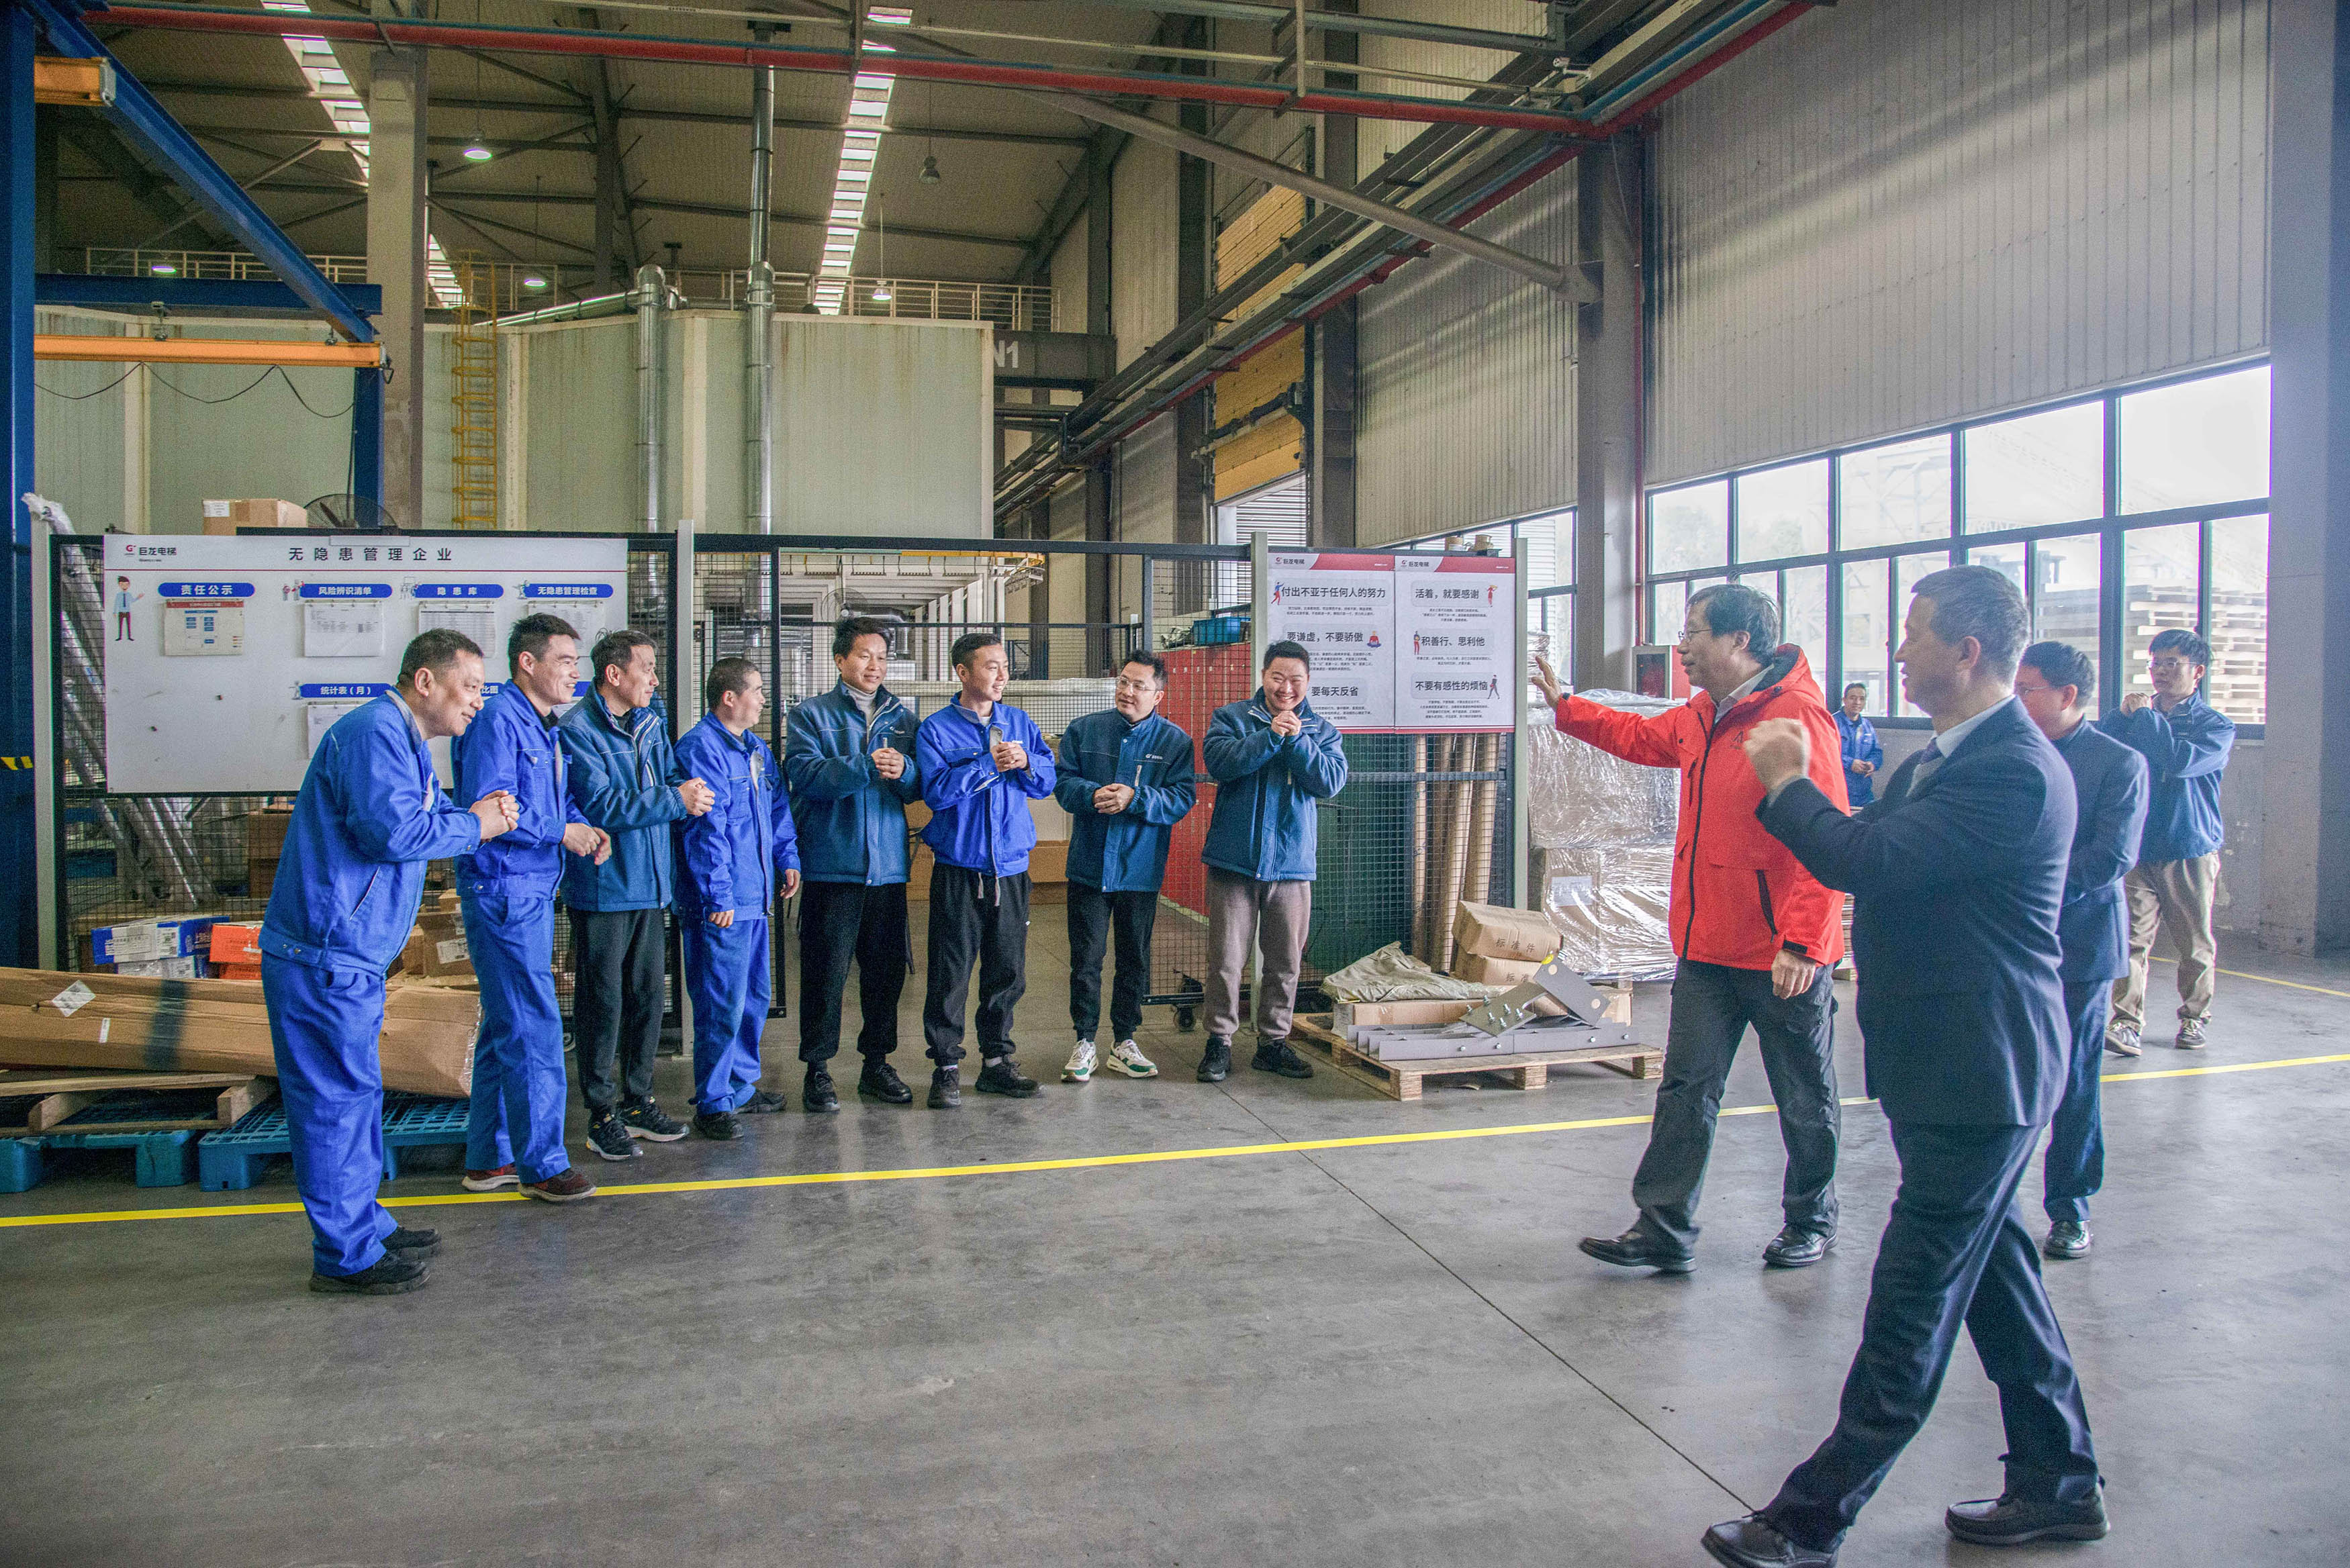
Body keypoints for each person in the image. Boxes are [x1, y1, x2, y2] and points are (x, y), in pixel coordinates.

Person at [1706, 565, 2104, 1567]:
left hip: (1985, 1075)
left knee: (1913, 1302)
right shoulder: (1945, 760)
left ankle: (1808, 1520)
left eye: (1915, 633)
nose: (1899, 651)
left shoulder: (2011, 768)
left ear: (1967, 651)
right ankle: (2060, 1485)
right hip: (1950, 1070)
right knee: (1999, 1277)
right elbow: (1872, 846)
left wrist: (1789, 779)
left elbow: (1865, 861)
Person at [1532, 583, 1847, 1273]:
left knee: (1801, 1092)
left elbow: (1823, 841)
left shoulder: (1795, 719)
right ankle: (1662, 1226)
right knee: (1685, 1088)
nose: (1682, 645)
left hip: (1776, 953)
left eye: (1695, 631)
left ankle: (1812, 1218)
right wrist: (1565, 707)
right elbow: (1640, 736)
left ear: (1739, 641)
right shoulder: (1706, 713)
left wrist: (1802, 940)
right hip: (1706, 943)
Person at [258, 630, 521, 1295]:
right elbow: (392, 832)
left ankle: (364, 1224)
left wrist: (467, 813)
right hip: (324, 953)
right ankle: (345, 1254)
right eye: (469, 687)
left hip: (348, 955)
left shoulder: (402, 740)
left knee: (355, 1095)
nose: (477, 703)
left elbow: (405, 820)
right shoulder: (376, 732)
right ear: (425, 682)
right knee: (333, 1102)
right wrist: (479, 824)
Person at [451, 614, 612, 1202]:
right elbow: (495, 810)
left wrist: (584, 827)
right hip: (505, 890)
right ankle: (542, 1165)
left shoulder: (543, 726)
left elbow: (552, 798)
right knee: (535, 1026)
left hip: (531, 889)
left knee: (505, 1025)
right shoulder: (499, 721)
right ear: (528, 663)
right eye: (566, 661)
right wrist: (560, 831)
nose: (576, 674)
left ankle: (489, 1158)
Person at [557, 628, 716, 1162]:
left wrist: (687, 790)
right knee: (603, 1003)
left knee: (650, 996)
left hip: (651, 884)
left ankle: (637, 1100)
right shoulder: (578, 730)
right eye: (646, 668)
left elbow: (670, 778)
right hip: (604, 888)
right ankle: (600, 1114)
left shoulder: (650, 722)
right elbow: (603, 804)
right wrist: (676, 798)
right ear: (614, 675)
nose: (652, 678)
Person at [2014, 641, 2147, 1261]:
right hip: (2010, 944)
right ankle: (1998, 1197)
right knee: (2009, 1074)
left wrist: (2024, 880)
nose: (2018, 700)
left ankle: (2069, 1207)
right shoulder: (2014, 753)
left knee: (2074, 1080)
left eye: (2029, 690)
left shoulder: (2117, 763)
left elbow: (2110, 859)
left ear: (2068, 696)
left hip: (2080, 947)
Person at [783, 616, 923, 1112]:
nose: (874, 665)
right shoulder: (811, 716)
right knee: (825, 973)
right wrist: (866, 763)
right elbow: (805, 775)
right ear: (840, 660)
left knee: (885, 973)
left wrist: (905, 769)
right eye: (864, 655)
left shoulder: (903, 718)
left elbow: (918, 786)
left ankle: (876, 1064)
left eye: (882, 657)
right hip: (831, 866)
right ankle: (817, 1070)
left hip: (886, 870)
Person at [915, 630, 1058, 1108]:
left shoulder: (1019, 721)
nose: (1002, 675)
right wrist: (987, 765)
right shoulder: (935, 729)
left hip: (1012, 869)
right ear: (962, 672)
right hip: (959, 868)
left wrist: (1027, 763)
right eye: (992, 666)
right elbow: (935, 793)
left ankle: (997, 1063)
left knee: (1007, 970)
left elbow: (1045, 783)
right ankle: (947, 1066)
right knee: (951, 971)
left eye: (1004, 666)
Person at [1198, 640, 1348, 1083]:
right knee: (1226, 962)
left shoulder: (1321, 730)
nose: (1286, 688)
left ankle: (1273, 1044)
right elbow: (1221, 763)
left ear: (1307, 683)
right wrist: (1270, 736)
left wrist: (1297, 738)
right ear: (1263, 676)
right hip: (1234, 861)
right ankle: (1219, 1042)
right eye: (1278, 677)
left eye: (1296, 680)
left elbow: (1330, 782)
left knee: (1285, 962)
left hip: (1291, 865)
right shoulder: (1232, 718)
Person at [1052, 652, 1196, 1083]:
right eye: (1123, 682)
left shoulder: (1175, 742)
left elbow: (1182, 798)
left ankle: (1124, 1040)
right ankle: (1084, 1040)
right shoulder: (1085, 730)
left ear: (1159, 695)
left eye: (1138, 686)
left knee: (1134, 957)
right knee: (1087, 958)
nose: (1127, 692)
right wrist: (1092, 794)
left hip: (1140, 868)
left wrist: (1136, 798)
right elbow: (1062, 784)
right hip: (1089, 867)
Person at [675, 657, 802, 1140]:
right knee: (719, 1002)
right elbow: (706, 829)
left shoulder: (755, 750)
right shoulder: (700, 749)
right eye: (756, 690)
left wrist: (787, 858)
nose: (763, 700)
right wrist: (717, 895)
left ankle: (741, 1087)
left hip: (757, 895)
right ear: (729, 698)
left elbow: (776, 808)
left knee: (754, 997)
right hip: (723, 902)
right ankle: (712, 1101)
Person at [2098, 627, 2235, 1055]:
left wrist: (2143, 719)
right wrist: (2121, 718)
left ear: (2198, 672)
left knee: (2193, 943)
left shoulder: (2215, 727)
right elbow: (2103, 752)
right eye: (2155, 663)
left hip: (2188, 846)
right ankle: (2126, 1023)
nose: (2159, 672)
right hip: (2138, 845)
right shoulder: (2138, 717)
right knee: (2131, 940)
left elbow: (2176, 760)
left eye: (2171, 663)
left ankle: (2194, 1018)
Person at [1836, 683, 1883, 808]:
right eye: (1852, 698)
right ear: (1844, 700)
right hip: (1839, 791)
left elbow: (1877, 752)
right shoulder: (1832, 723)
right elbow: (1825, 753)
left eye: (1861, 699)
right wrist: (1850, 763)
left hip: (1864, 793)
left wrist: (1872, 764)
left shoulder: (1867, 726)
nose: (1857, 702)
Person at [112, 576, 138, 642]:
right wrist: (115, 612)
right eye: (122, 584)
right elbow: (116, 603)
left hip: (127, 612)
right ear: (120, 585)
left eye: (126, 584)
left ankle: (129, 637)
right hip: (121, 612)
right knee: (120, 625)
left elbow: (132, 601)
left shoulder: (129, 594)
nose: (124, 586)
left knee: (128, 625)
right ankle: (119, 637)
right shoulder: (119, 595)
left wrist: (138, 598)